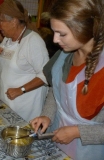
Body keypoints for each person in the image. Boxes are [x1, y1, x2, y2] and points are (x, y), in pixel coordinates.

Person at [30, 0, 104, 159]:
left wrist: (77, 131)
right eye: (54, 32)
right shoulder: (64, 55)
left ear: (86, 29)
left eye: (62, 34)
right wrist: (47, 115)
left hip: (90, 151)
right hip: (58, 140)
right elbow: (55, 90)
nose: (55, 40)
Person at [0, 0, 49, 122]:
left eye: (1, 22)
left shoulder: (33, 41)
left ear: (14, 21)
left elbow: (46, 74)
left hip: (24, 107)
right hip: (5, 101)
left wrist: (21, 90)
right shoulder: (7, 39)